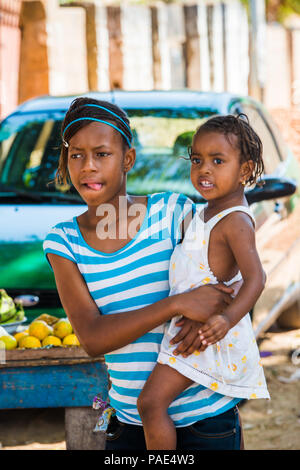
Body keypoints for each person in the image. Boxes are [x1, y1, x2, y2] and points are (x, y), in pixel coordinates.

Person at [43, 97, 244, 450]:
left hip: (206, 420)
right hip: (129, 429)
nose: (88, 166)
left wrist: (210, 306)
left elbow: (224, 284)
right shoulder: (64, 242)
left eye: (102, 154)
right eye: (76, 155)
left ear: (128, 160)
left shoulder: (172, 213)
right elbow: (92, 338)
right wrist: (175, 305)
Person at [136, 114, 270, 450]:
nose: (204, 169)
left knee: (150, 404)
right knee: (153, 405)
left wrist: (224, 319)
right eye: (197, 160)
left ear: (244, 171)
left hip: (206, 335)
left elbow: (256, 277)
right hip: (195, 327)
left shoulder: (235, 220)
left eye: (217, 161)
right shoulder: (206, 211)